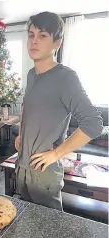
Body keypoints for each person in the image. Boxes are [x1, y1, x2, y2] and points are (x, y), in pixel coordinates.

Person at [15, 12, 103, 211]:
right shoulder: (31, 74)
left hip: (44, 172)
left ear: (57, 42)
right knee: (26, 223)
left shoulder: (66, 78)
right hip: (22, 166)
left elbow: (93, 124)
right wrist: (21, 133)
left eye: (43, 35)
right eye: (31, 35)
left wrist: (56, 154)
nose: (34, 41)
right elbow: (26, 108)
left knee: (49, 228)